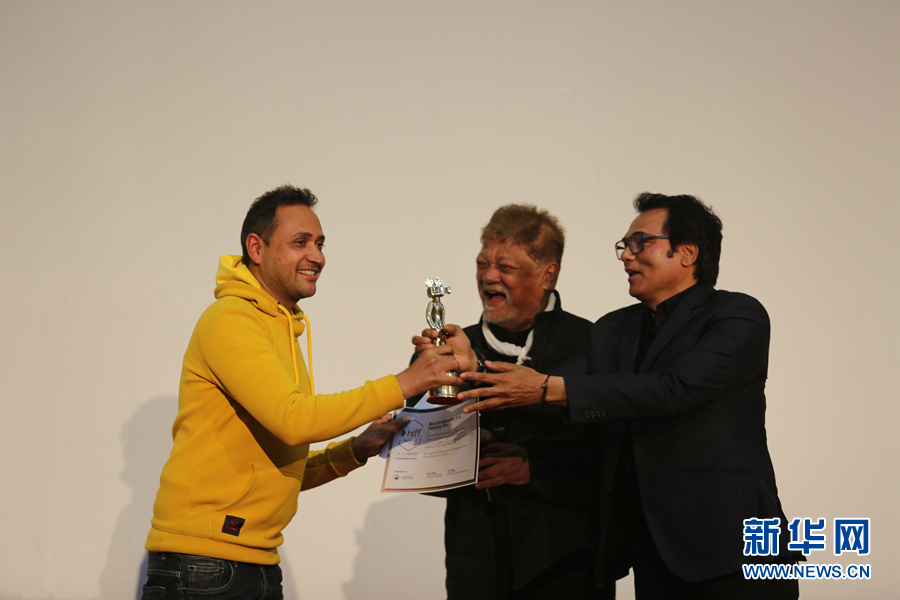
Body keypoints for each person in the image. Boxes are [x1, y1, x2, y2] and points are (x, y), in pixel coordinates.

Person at [440, 193, 800, 598]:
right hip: (652, 554)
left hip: (735, 548)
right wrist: (473, 366)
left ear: (687, 252)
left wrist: (548, 389)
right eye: (625, 246)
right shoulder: (614, 329)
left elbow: (674, 388)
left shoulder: (737, 315)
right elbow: (553, 385)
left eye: (640, 243)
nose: (627, 256)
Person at [141, 185, 460, 600]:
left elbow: (280, 468)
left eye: (320, 244)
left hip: (247, 563)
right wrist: (405, 383)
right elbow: (295, 420)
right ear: (256, 248)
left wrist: (355, 450)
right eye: (300, 242)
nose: (317, 256)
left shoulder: (282, 326)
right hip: (203, 565)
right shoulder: (231, 320)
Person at [413, 205, 617, 599]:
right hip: (474, 566)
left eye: (505, 266)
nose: (489, 276)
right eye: (482, 264)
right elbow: (421, 467)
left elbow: (616, 464)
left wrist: (534, 469)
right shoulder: (447, 349)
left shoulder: (594, 346)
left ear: (547, 275)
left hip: (568, 563)